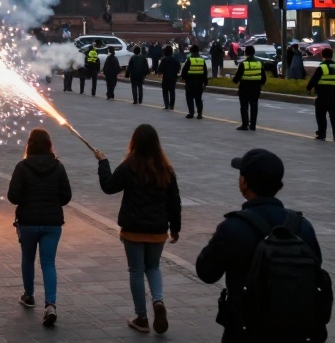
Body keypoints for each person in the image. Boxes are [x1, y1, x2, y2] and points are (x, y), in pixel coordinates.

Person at [195, 149, 324, 342]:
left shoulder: (233, 227)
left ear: (244, 182)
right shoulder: (302, 227)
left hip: (246, 331)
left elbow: (206, 272)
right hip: (295, 332)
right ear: (280, 185)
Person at [94, 124, 182, 335]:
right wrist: (175, 229)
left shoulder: (129, 166)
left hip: (133, 228)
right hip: (158, 230)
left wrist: (103, 163)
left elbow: (108, 187)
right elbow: (174, 202)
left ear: (134, 143)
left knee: (136, 270)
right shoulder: (165, 169)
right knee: (153, 267)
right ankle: (158, 301)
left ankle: (141, 317)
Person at [7, 128, 71, 327]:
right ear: (49, 145)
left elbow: (13, 197)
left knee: (28, 258)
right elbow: (66, 197)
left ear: (30, 145)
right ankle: (50, 305)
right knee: (48, 263)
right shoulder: (58, 167)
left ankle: (29, 295)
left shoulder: (22, 166)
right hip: (52, 223)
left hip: (28, 222)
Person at [232, 45, 267, 131]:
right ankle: (253, 125)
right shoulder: (259, 63)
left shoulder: (243, 64)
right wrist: (259, 84)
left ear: (246, 53)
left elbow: (237, 78)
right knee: (254, 106)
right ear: (254, 52)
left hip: (244, 88)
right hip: (256, 88)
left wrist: (234, 80)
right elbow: (264, 78)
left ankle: (245, 125)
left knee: (244, 106)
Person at [307, 47, 335, 141]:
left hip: (322, 94)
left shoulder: (322, 67)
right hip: (334, 95)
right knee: (334, 116)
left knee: (321, 115)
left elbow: (315, 79)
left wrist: (309, 88)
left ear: (322, 56)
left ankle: (322, 133)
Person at [182, 44, 209, 120]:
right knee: (198, 98)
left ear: (191, 51)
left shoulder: (189, 60)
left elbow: (184, 71)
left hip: (190, 82)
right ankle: (199, 114)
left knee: (189, 98)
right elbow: (205, 72)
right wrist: (205, 82)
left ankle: (191, 113)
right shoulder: (202, 60)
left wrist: (184, 78)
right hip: (199, 83)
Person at [157, 45, 181, 111]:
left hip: (166, 77)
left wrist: (159, 73)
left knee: (165, 91)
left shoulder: (164, 60)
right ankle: (172, 105)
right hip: (173, 78)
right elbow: (178, 69)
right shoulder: (175, 60)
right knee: (172, 91)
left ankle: (166, 105)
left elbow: (160, 69)